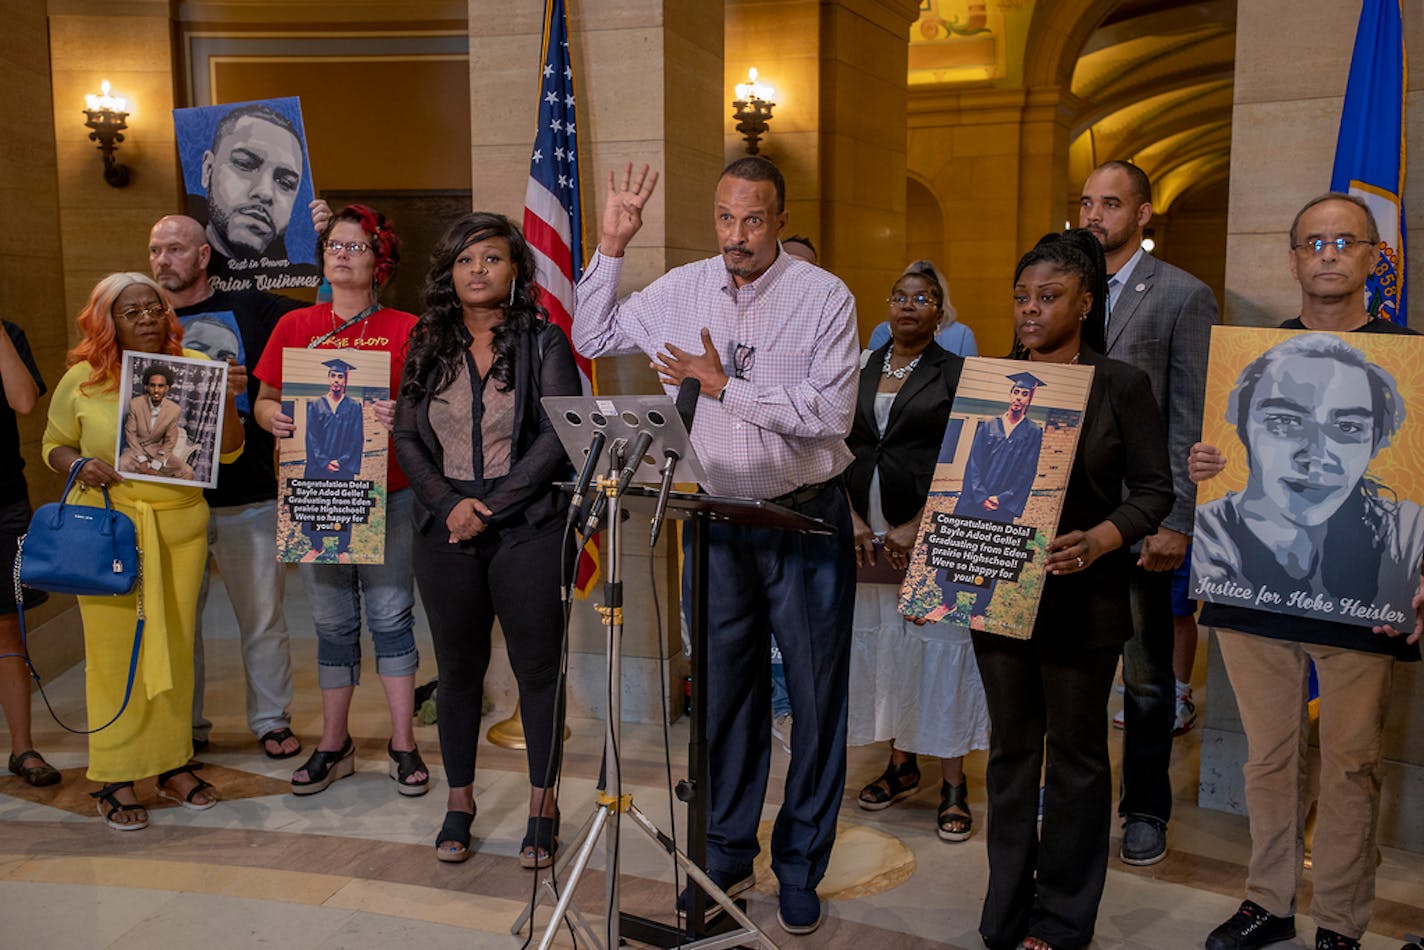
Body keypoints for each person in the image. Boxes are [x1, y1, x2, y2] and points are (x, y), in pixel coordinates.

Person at [574, 157, 858, 936]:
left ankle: (800, 866)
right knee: (725, 700)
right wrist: (612, 243)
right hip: (717, 521)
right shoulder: (682, 288)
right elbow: (593, 333)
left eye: (754, 220)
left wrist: (722, 384)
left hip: (804, 521)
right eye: (726, 218)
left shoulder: (823, 296)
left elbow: (830, 413)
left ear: (780, 218)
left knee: (815, 696)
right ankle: (727, 858)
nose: (737, 236)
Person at [1189, 193, 1421, 950]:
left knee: (1353, 765)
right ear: (1292, 258)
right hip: (1252, 596)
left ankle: (1341, 922)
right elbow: (1222, 461)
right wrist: (1206, 466)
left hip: (1365, 594)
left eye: (1344, 242)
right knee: (1270, 759)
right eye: (1313, 242)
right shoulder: (1252, 355)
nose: (1327, 254)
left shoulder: (1408, 358)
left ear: (1372, 258)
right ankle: (1268, 902)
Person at [955, 230, 1171, 950]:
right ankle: (1006, 913)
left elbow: (1154, 491)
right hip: (1000, 594)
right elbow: (962, 487)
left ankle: (1062, 921)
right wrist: (942, 574)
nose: (1029, 310)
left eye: (1047, 297)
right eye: (1021, 297)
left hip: (1086, 601)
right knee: (1011, 755)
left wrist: (1105, 538)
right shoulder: (990, 383)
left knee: (1077, 761)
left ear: (1084, 302)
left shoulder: (1120, 384)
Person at [393, 212, 579, 867]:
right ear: (450, 271)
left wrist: (490, 507)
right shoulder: (426, 340)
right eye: (466, 259)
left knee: (536, 671)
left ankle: (542, 806)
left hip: (528, 526)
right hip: (445, 527)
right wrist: (451, 505)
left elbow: (559, 435)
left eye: (492, 259)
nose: (478, 270)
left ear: (515, 270)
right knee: (458, 674)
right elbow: (408, 436)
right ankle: (460, 802)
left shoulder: (544, 341)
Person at [42, 272, 246, 829]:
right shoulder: (83, 381)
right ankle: (114, 776)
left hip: (178, 535)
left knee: (177, 654)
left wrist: (228, 400)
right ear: (108, 322)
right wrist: (79, 463)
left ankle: (173, 764)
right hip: (109, 536)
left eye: (154, 307)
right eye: (132, 312)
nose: (149, 318)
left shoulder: (195, 371)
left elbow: (228, 454)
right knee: (114, 659)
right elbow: (52, 445)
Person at [253, 204, 427, 797]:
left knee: (391, 615)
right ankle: (335, 743)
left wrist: (403, 414)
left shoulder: (409, 328)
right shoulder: (295, 326)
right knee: (330, 622)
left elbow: (436, 410)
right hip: (316, 495)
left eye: (355, 246)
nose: (342, 255)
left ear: (380, 262)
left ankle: (404, 743)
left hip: (391, 493)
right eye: (334, 246)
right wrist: (272, 416)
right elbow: (264, 399)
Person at [1079, 159, 1217, 865]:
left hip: (1141, 516)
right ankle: (1075, 795)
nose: (1093, 216)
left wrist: (1177, 521)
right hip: (1069, 518)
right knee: (1072, 665)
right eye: (1086, 202)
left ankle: (1145, 808)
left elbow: (1191, 414)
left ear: (1143, 214)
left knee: (1145, 674)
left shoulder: (1183, 296)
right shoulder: (1064, 289)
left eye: (1110, 203)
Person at [149, 212, 310, 759]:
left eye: (174, 249)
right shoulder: (140, 320)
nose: (162, 260)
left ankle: (271, 720)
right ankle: (184, 726)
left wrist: (327, 235)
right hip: (170, 497)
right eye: (154, 250)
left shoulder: (254, 308)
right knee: (176, 620)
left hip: (250, 493)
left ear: (201, 256)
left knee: (262, 616)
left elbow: (324, 319)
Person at [846, 262, 989, 842]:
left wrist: (917, 526)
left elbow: (973, 459)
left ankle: (953, 781)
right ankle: (901, 765)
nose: (908, 305)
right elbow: (838, 443)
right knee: (886, 651)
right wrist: (852, 517)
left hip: (933, 532)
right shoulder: (858, 366)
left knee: (940, 649)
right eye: (899, 295)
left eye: (922, 298)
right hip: (865, 534)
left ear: (940, 312)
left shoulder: (957, 373)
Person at [1194, 333, 1424, 605]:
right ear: (1242, 427)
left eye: (1348, 427)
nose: (1317, 455)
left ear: (1375, 443)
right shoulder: (1210, 539)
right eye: (1285, 420)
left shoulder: (1405, 531)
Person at [0, 319, 57, 788]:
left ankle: (23, 749)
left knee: (8, 629)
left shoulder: (9, 332)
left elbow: (22, 400)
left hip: (4, 503)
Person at [195, 104, 305, 274]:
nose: (265, 192)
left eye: (286, 183)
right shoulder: (182, 276)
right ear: (208, 169)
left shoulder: (303, 275)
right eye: (244, 164)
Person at [302, 357, 365, 561]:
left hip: (343, 468)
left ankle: (342, 549)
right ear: (328, 378)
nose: (336, 379)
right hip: (319, 467)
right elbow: (310, 437)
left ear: (345, 380)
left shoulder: (354, 407)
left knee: (342, 506)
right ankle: (316, 546)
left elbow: (357, 438)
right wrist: (323, 461)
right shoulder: (315, 404)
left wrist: (342, 462)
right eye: (333, 375)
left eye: (340, 376)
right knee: (318, 506)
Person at [865, 260, 978, 357]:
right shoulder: (881, 332)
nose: (908, 306)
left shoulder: (962, 335)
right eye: (901, 298)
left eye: (920, 299)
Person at [117, 365, 194, 480]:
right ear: (147, 386)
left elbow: (170, 440)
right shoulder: (135, 403)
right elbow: (130, 433)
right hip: (135, 450)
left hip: (157, 451)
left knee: (188, 472)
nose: (156, 390)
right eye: (152, 385)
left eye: (161, 386)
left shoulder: (174, 409)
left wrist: (157, 464)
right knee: (122, 463)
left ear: (167, 388)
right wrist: (141, 458)